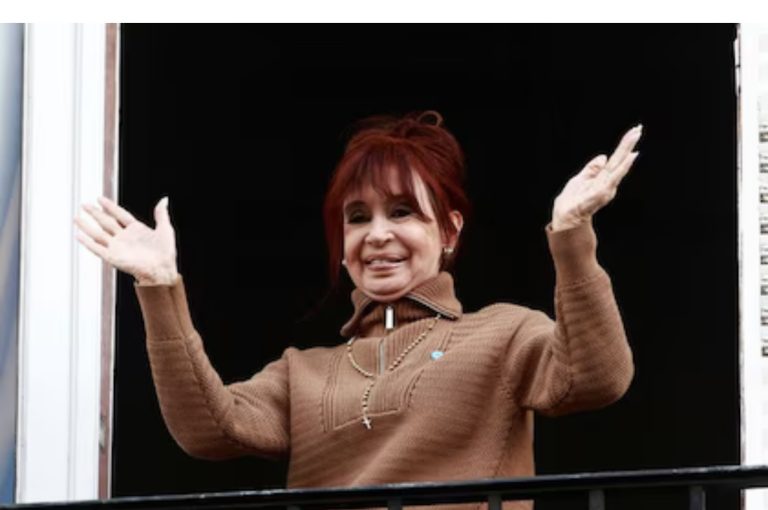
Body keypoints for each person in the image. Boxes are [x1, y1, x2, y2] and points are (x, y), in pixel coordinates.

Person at [75, 111, 637, 509]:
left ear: (448, 231)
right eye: (358, 217)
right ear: (342, 246)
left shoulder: (506, 333)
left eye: (402, 212)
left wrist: (570, 234)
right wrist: (160, 286)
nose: (378, 234)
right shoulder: (301, 372)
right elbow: (207, 429)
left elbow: (598, 378)